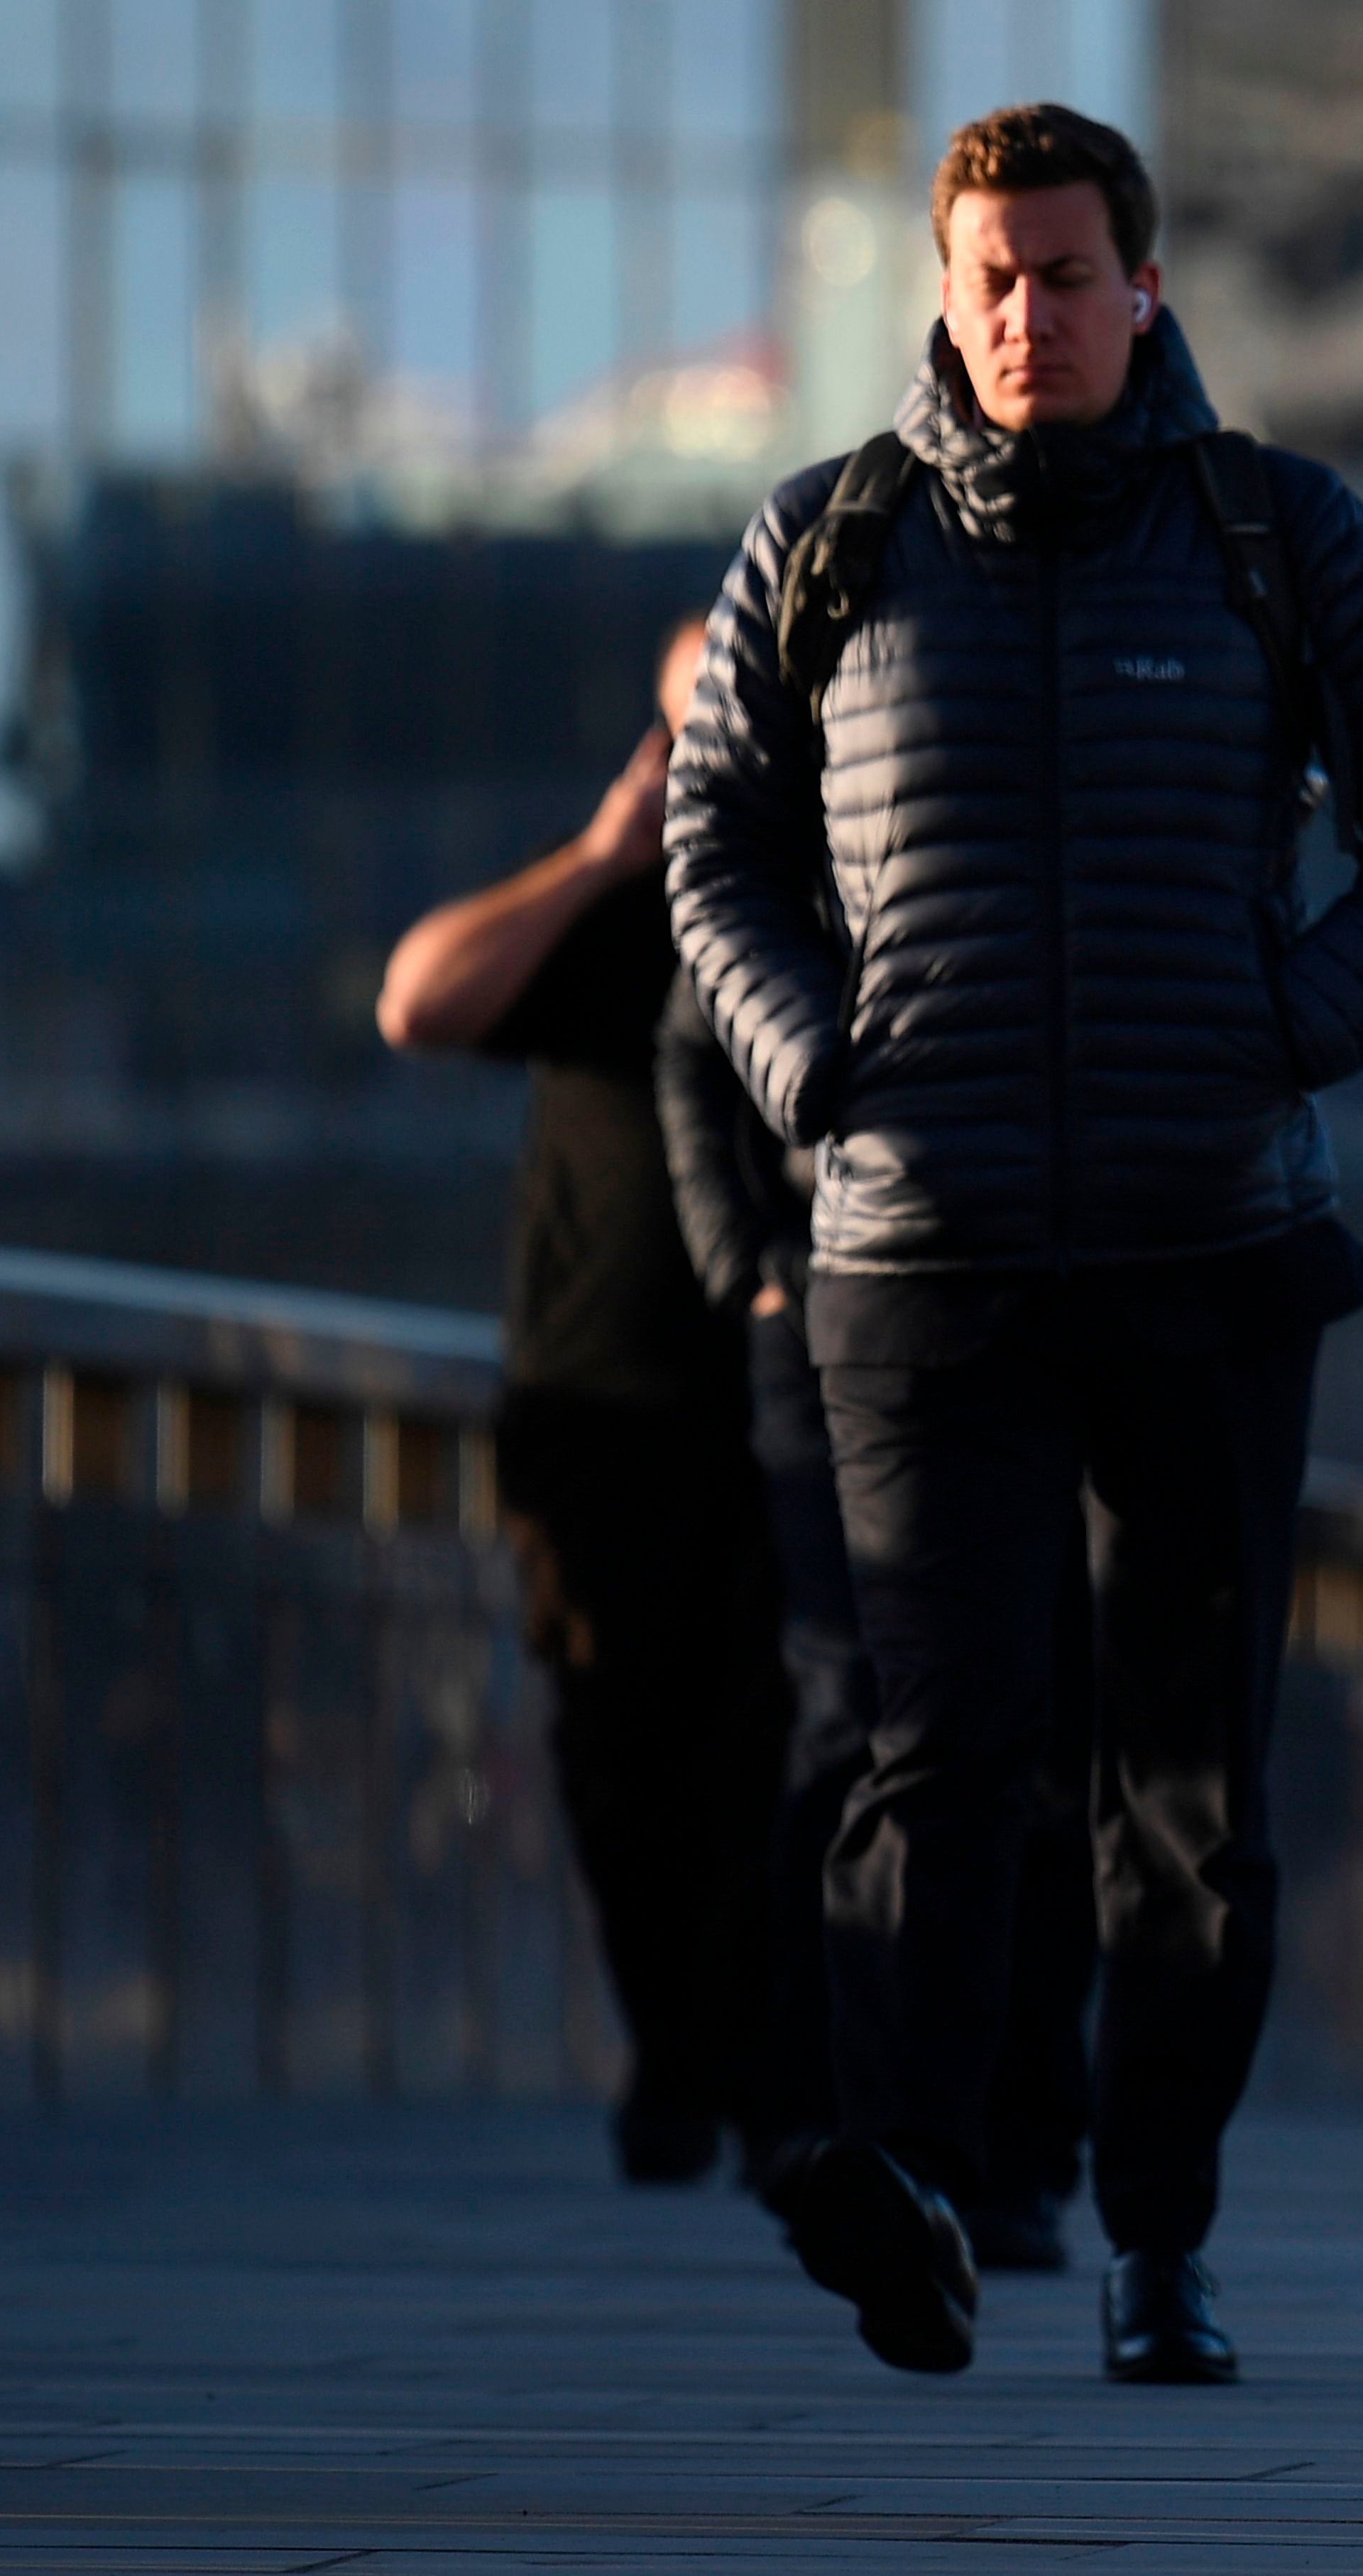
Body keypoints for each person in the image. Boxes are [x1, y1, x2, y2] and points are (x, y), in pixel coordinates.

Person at [667, 102, 1363, 2382]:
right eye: (993, 280)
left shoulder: (1276, 532)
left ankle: (1159, 2237)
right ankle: (915, 2184)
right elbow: (713, 841)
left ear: (1149, 287)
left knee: (1190, 1791)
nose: (1031, 315)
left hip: (1208, 1241)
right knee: (934, 1748)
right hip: (917, 1254)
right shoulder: (820, 544)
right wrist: (815, 1060)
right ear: (945, 295)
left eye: (1069, 273)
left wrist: (1296, 1024)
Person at [377, 617, 790, 2190]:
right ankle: (680, 2063)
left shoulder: (833, 892)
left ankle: (758, 2072)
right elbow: (416, 1001)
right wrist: (602, 853)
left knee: (778, 1742)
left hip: (790, 1389)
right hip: (594, 1395)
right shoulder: (611, 907)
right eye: (691, 723)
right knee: (617, 1741)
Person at [654, 971, 1103, 2268]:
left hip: (1042, 1287)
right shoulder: (807, 789)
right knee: (852, 1701)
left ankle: (1017, 2149)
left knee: (1040, 1723)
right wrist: (744, 1260)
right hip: (826, 1297)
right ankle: (819, 2119)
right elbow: (694, 1039)